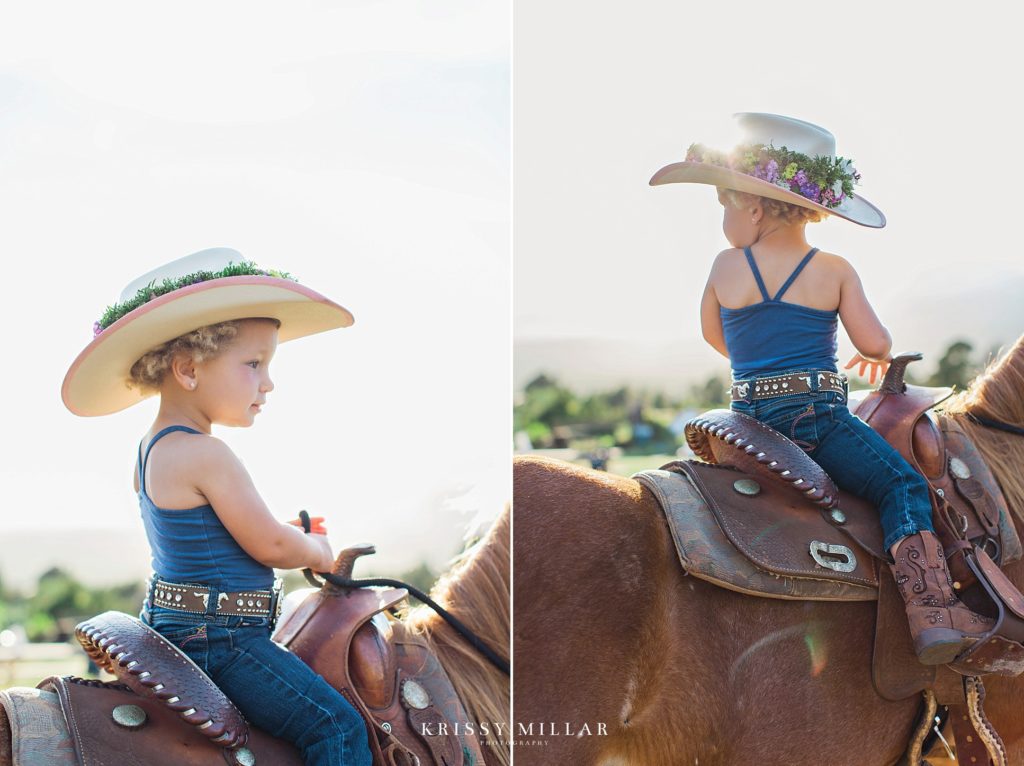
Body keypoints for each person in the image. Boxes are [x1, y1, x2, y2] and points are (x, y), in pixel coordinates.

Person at [650, 113, 993, 665]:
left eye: (724, 203)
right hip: (818, 415)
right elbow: (877, 343)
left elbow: (718, 338)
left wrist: (762, 363)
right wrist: (859, 354)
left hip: (748, 420)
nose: (722, 217)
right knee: (902, 485)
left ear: (755, 206)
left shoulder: (724, 266)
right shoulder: (833, 268)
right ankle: (932, 610)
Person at [62, 247, 372, 765]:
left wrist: (286, 532)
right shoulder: (207, 453)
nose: (268, 382)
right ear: (186, 368)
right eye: (253, 364)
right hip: (223, 641)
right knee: (336, 728)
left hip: (173, 622)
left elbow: (213, 536)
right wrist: (316, 549)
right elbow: (271, 545)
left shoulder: (153, 449)